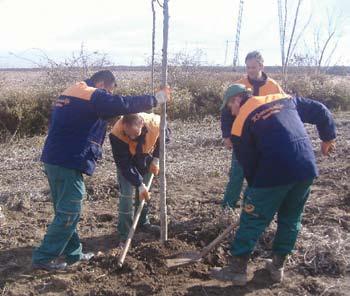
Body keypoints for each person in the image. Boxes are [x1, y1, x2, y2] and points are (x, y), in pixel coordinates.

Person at [32, 70, 170, 271]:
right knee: (71, 209)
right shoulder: (90, 93)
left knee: (65, 208)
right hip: (66, 160)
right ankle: (43, 258)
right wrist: (155, 99)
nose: (109, 96)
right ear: (103, 84)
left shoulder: (73, 92)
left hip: (56, 158)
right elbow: (121, 104)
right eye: (109, 91)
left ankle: (74, 254)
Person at [212, 84, 336, 285]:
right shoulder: (284, 99)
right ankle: (277, 267)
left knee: (252, 219)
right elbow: (320, 110)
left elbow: (249, 166)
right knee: (291, 218)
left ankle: (237, 270)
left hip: (274, 170)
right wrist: (328, 137)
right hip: (305, 168)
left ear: (236, 100)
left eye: (229, 107)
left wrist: (253, 198)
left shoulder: (240, 123)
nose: (230, 112)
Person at [221, 51, 284, 209]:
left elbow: (284, 109)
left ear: (262, 66)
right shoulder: (239, 85)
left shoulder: (273, 87)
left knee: (256, 176)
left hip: (264, 139)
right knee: (237, 174)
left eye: (253, 67)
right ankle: (227, 208)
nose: (250, 71)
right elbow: (226, 114)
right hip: (241, 136)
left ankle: (249, 208)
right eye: (248, 67)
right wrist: (227, 135)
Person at [109, 112, 170, 246]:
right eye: (128, 134)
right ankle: (124, 233)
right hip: (128, 162)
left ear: (141, 124)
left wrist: (156, 159)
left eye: (134, 134)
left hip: (146, 158)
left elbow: (164, 139)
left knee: (144, 193)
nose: (131, 137)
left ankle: (143, 222)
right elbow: (124, 164)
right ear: (123, 125)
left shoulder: (156, 123)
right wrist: (138, 183)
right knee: (126, 195)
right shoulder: (117, 133)